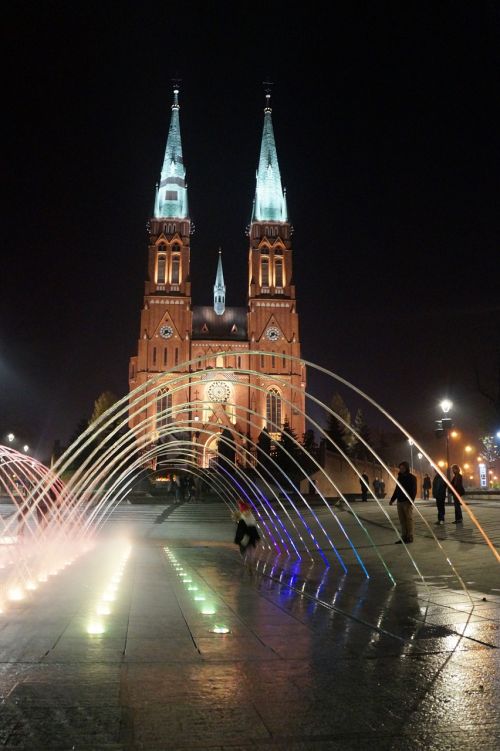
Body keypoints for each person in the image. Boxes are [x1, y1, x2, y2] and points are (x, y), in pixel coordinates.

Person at [389, 461, 417, 544]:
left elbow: (414, 490)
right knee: (402, 520)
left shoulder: (412, 477)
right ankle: (404, 536)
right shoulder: (399, 477)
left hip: (407, 502)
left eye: (403, 468)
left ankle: (410, 536)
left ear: (406, 468)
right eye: (400, 468)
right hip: (399, 501)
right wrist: (392, 499)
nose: (401, 470)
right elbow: (397, 489)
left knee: (409, 519)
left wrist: (411, 501)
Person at [233, 500, 260, 564]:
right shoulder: (241, 520)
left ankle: (250, 562)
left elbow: (254, 529)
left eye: (248, 511)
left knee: (251, 550)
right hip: (243, 538)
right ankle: (246, 561)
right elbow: (239, 530)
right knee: (244, 550)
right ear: (242, 512)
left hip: (251, 537)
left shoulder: (251, 518)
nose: (247, 512)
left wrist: (257, 537)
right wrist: (237, 539)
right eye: (245, 511)